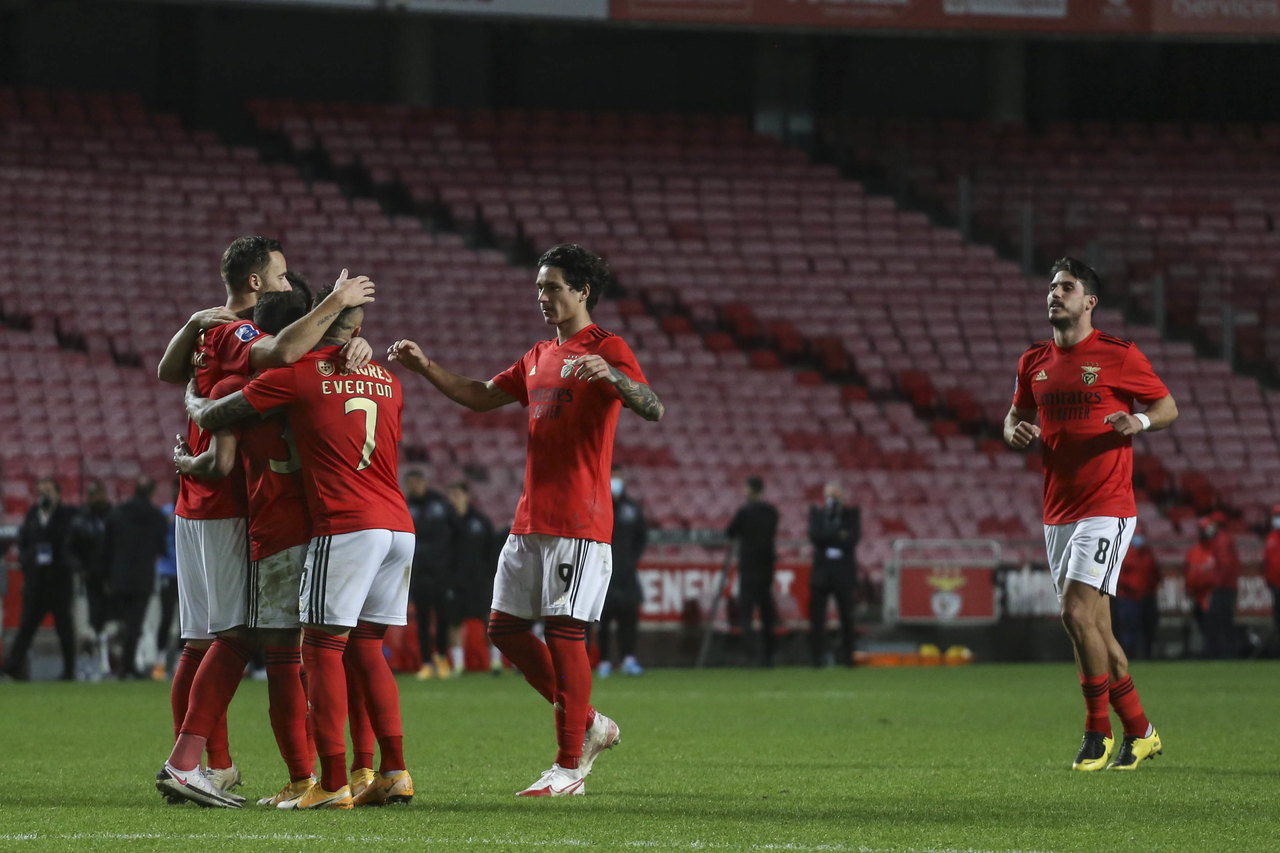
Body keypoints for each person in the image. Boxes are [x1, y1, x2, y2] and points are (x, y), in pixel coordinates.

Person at [388, 242, 664, 797]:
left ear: (583, 290)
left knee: (565, 635)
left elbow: (652, 405)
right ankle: (587, 724)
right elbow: (480, 396)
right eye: (539, 287)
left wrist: (612, 376)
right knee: (504, 629)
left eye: (554, 286)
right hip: (529, 518)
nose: (544, 297)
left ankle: (569, 768)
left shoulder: (608, 347)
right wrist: (425, 368)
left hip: (579, 520)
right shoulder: (537, 355)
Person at [155, 236, 375, 801]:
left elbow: (170, 374)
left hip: (200, 500)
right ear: (257, 283)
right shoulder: (255, 344)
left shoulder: (213, 332)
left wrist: (193, 396)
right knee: (244, 640)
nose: (285, 280)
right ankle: (200, 763)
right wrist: (340, 317)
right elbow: (280, 355)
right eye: (280, 275)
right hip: (238, 507)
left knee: (204, 641)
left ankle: (222, 766)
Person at [185, 280, 415, 811]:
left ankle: (321, 781)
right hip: (396, 523)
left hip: (319, 525)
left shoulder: (288, 376)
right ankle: (381, 770)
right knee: (364, 649)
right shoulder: (384, 377)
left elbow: (217, 431)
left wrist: (197, 393)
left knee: (304, 655)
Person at [1004, 256, 1177, 772]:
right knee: (1092, 629)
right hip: (1058, 511)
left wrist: (1139, 420)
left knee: (1075, 613)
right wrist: (1012, 431)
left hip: (1107, 506)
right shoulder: (1032, 362)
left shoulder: (1118, 355)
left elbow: (1168, 406)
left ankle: (1096, 733)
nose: (1055, 294)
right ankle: (1141, 731)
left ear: (1089, 301)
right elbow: (1016, 415)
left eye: (1067, 287)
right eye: (1052, 287)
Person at [159, 289, 322, 808]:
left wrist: (194, 405)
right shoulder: (320, 373)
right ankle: (339, 773)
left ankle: (219, 765)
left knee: (219, 641)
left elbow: (213, 440)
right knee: (312, 650)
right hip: (327, 527)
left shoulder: (241, 383)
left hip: (255, 522)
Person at [3, 478, 79, 680]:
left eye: (48, 492)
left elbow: (71, 542)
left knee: (65, 628)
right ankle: (11, 669)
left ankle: (69, 670)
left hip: (59, 582)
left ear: (57, 493)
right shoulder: (32, 514)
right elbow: (24, 541)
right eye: (41, 492)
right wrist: (27, 562)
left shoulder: (66, 515)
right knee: (26, 627)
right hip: (36, 583)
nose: (44, 496)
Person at [104, 476, 168, 679]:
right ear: (151, 493)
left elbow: (106, 547)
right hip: (142, 577)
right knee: (134, 624)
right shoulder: (156, 516)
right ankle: (128, 666)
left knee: (122, 623)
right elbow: (161, 546)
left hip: (119, 577)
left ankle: (121, 665)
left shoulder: (116, 514)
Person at [403, 469, 460, 679]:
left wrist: (453, 567)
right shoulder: (405, 505)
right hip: (419, 573)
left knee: (443, 618)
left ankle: (442, 659)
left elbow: (457, 534)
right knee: (423, 620)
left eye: (418, 481)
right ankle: (426, 662)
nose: (414, 486)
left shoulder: (441, 505)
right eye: (410, 482)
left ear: (425, 482)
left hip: (442, 573)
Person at [596, 469, 648, 678]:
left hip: (626, 573)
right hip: (601, 574)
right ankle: (604, 661)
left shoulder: (632, 509)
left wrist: (630, 559)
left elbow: (641, 538)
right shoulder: (597, 505)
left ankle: (629, 658)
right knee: (603, 621)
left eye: (617, 477)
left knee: (629, 618)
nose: (615, 481)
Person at [726, 475, 780, 668]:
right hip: (766, 567)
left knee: (746, 613)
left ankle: (752, 657)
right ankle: (769, 656)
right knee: (767, 613)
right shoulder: (772, 512)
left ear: (749, 490)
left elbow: (730, 532)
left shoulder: (744, 512)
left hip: (748, 567)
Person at [446, 480, 499, 673]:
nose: (453, 499)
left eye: (457, 494)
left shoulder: (481, 521)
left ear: (466, 496)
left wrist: (489, 575)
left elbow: (491, 551)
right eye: (451, 495)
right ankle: (459, 666)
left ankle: (496, 663)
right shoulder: (445, 523)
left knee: (488, 620)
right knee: (454, 623)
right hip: (454, 582)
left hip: (480, 581)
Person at [807, 480, 860, 668]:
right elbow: (815, 536)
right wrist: (837, 535)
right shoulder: (817, 514)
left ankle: (848, 658)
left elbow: (852, 539)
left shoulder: (852, 514)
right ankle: (816, 659)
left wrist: (828, 536)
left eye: (835, 495)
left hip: (843, 572)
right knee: (817, 618)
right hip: (822, 572)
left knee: (847, 617)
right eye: (829, 495)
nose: (832, 499)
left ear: (844, 496)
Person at [68, 480, 112, 678]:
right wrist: (80, 568)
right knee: (89, 624)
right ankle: (90, 663)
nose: (98, 498)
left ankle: (109, 662)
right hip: (88, 580)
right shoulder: (80, 520)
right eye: (93, 494)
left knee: (111, 623)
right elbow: (69, 549)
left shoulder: (113, 517)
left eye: (100, 494)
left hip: (112, 579)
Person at [1112, 526, 1159, 660]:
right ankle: (1127, 657)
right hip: (1127, 598)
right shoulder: (1123, 553)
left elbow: (1153, 574)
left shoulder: (1147, 553)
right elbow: (1119, 577)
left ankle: (1146, 656)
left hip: (1146, 598)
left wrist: (1151, 590)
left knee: (1147, 629)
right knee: (1128, 630)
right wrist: (1132, 589)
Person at [152, 487, 179, 680]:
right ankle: (160, 661)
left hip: (189, 573)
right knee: (166, 617)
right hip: (168, 571)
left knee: (187, 621)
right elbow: (155, 540)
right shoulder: (165, 512)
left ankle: (179, 661)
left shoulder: (195, 509)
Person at [1204, 514, 1240, 659]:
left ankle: (1224, 654)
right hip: (1227, 586)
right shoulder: (1223, 539)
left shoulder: (1222, 540)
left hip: (1223, 588)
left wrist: (1216, 585)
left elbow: (1224, 566)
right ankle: (1226, 653)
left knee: (1221, 622)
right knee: (1224, 622)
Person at [1183, 518, 1217, 655]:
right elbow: (1188, 570)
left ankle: (1214, 653)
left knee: (1212, 626)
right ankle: (1206, 652)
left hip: (1211, 595)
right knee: (1201, 626)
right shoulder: (1194, 551)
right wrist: (1188, 589)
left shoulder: (1215, 550)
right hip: (1196, 596)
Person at [1263, 505, 1280, 655]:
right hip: (1276, 586)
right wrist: (1269, 582)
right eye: (1276, 516)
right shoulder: (1271, 538)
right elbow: (1267, 562)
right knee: (1278, 620)